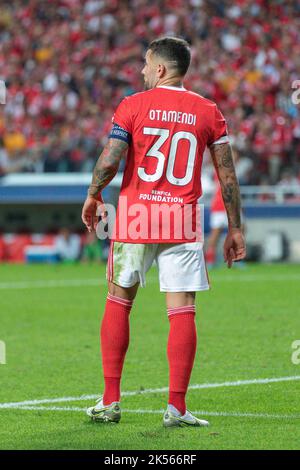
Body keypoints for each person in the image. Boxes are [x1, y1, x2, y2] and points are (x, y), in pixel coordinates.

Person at [82, 37, 246, 428]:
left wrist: (93, 194)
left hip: (136, 217)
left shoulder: (133, 105)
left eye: (144, 64)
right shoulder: (208, 111)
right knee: (182, 310)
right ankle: (176, 407)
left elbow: (110, 158)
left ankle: (110, 401)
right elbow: (227, 174)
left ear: (159, 69)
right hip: (183, 220)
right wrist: (235, 227)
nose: (141, 70)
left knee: (119, 301)